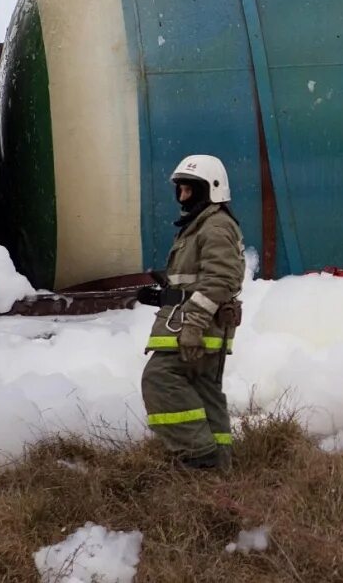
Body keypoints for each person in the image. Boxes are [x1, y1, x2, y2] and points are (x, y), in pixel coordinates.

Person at [137, 154, 245, 470]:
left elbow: (221, 279)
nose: (183, 197)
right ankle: (218, 472)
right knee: (204, 392)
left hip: (196, 331)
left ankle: (198, 456)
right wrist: (163, 297)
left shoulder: (215, 226)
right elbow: (198, 282)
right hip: (195, 326)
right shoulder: (202, 226)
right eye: (180, 190)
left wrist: (194, 326)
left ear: (210, 189)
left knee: (159, 379)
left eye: (190, 190)